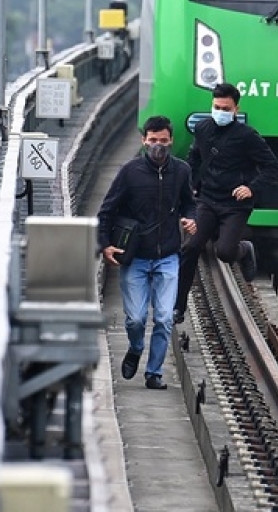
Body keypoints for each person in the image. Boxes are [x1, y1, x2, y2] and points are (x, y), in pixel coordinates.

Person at [97, 116, 198, 391]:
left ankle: (154, 372)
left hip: (168, 255)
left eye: (163, 141)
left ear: (171, 140)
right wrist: (105, 245)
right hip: (136, 257)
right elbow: (107, 210)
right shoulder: (130, 172)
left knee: (164, 318)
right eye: (153, 141)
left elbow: (190, 203)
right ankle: (135, 346)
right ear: (144, 141)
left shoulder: (182, 171)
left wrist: (192, 218)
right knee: (136, 319)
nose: (158, 146)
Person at [174, 83, 278, 323]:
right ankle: (177, 307)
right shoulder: (202, 128)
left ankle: (244, 250)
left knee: (224, 252)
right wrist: (191, 183)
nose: (220, 111)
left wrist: (251, 187)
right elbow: (195, 156)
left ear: (236, 109)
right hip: (207, 199)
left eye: (225, 108)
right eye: (216, 107)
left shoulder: (248, 136)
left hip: (235, 204)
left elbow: (272, 168)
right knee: (191, 248)